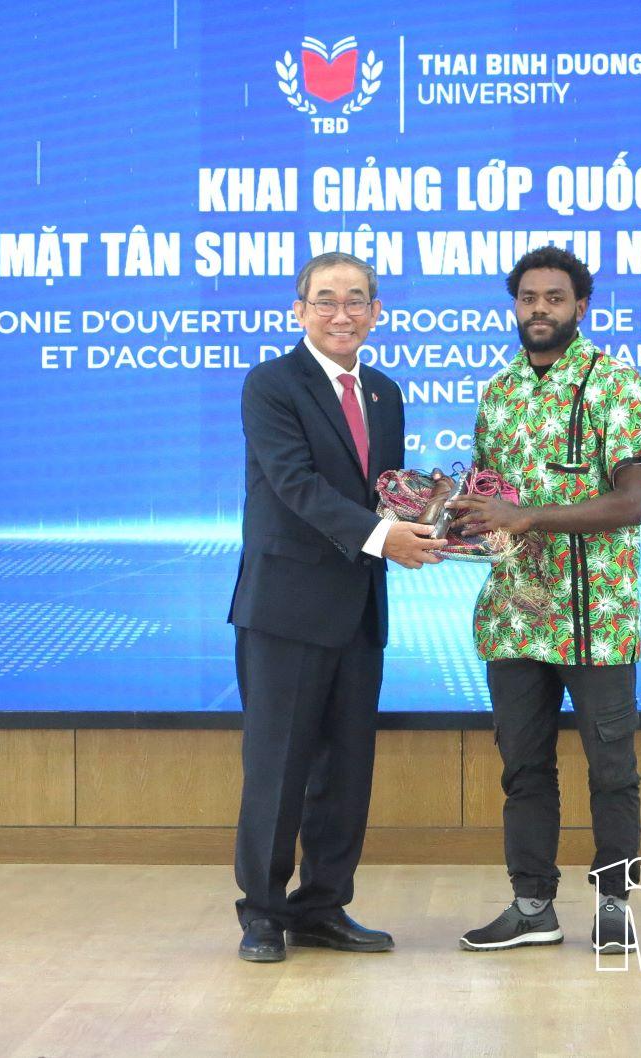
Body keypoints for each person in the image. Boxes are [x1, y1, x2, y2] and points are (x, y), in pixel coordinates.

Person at [228, 252, 445, 963]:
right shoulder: (271, 384)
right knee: (278, 768)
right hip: (286, 608)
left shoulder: (383, 392)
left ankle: (322, 906)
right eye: (325, 299)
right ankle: (263, 914)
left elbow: (384, 495)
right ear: (300, 311)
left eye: (356, 300)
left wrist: (437, 526)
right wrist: (386, 538)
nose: (341, 313)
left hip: (358, 606)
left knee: (346, 771)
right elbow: (295, 486)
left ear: (376, 313)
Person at [448, 246, 641, 955]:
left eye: (554, 297)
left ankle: (614, 906)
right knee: (524, 769)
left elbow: (631, 504)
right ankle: (532, 906)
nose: (539, 309)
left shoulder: (613, 382)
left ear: (580, 307)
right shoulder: (498, 392)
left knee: (612, 769)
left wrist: (527, 518)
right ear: (515, 306)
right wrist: (448, 515)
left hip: (596, 615)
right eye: (528, 298)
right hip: (514, 615)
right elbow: (491, 505)